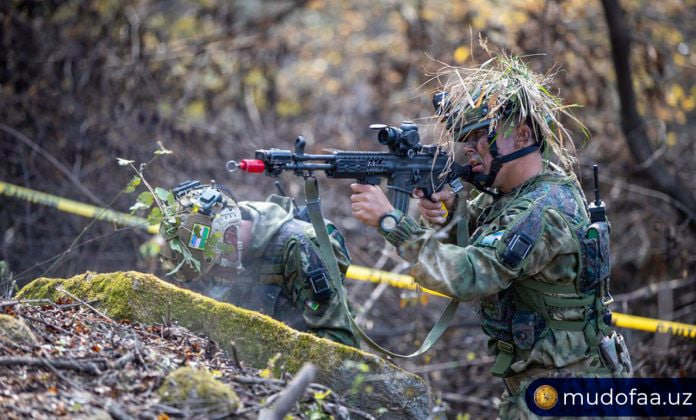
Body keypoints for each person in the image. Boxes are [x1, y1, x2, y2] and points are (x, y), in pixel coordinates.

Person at [350, 55, 631, 417]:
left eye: (479, 137)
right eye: (463, 139)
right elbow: (471, 246)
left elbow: (471, 275)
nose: (468, 148)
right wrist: (449, 217)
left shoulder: (543, 208)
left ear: (523, 135)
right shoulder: (512, 196)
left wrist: (391, 222)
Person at [159, 180, 359, 348]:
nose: (212, 279)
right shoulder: (211, 247)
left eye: (214, 271)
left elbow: (339, 342)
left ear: (229, 238)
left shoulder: (299, 247)